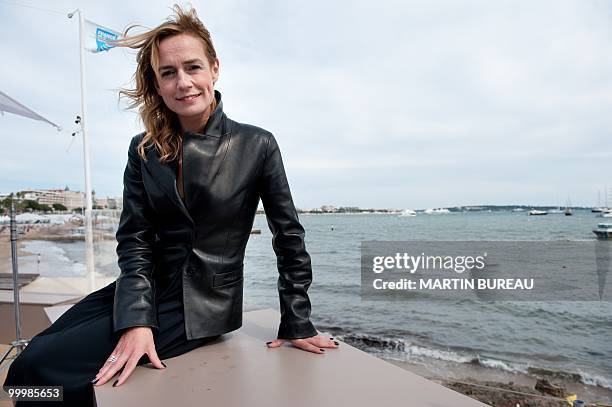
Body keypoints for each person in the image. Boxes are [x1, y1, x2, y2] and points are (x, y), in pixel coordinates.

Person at [3, 5, 337, 406]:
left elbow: (288, 235)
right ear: (157, 84)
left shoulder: (257, 144)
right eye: (168, 73)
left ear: (214, 68)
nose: (183, 82)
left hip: (202, 306)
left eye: (193, 67)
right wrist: (137, 318)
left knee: (44, 366)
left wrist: (296, 320)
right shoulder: (143, 149)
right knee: (30, 359)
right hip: (144, 289)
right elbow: (134, 238)